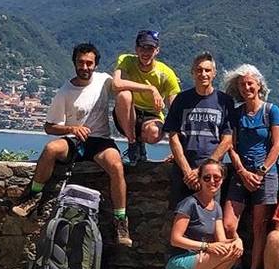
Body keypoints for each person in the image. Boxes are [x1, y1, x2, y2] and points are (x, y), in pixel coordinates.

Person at [12, 43, 131, 247]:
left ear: (95, 65)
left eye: (89, 63)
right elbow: (49, 127)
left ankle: (120, 220)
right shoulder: (65, 91)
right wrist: (72, 129)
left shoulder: (104, 80)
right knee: (51, 149)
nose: (84, 67)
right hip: (74, 140)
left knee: (117, 166)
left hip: (100, 140)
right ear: (74, 63)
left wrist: (151, 90)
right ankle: (34, 195)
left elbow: (123, 89)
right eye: (80, 62)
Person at [221, 64, 279, 269]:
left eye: (250, 83)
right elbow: (231, 145)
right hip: (240, 173)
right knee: (228, 224)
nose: (246, 88)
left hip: (265, 175)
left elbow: (277, 144)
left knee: (259, 227)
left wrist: (261, 171)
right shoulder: (236, 114)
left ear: (259, 85)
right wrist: (241, 170)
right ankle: (236, 266)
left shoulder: (271, 110)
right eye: (242, 84)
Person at [166, 159, 243, 269]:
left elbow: (222, 241)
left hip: (201, 263)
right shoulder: (189, 204)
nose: (212, 181)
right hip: (179, 262)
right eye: (207, 178)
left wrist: (237, 240)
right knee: (229, 250)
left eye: (216, 177)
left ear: (222, 180)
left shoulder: (216, 207)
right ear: (200, 180)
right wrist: (206, 246)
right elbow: (175, 239)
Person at [163, 52, 234, 209]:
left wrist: (203, 170)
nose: (203, 74)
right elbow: (173, 136)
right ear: (193, 72)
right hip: (184, 171)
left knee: (210, 216)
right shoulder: (181, 100)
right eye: (199, 70)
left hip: (212, 173)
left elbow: (227, 140)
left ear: (214, 73)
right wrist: (187, 171)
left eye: (207, 70)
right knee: (181, 216)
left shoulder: (224, 101)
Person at [112, 30, 181, 165]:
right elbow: (116, 84)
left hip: (151, 116)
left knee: (154, 132)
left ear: (157, 50)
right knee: (124, 95)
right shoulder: (126, 60)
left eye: (150, 48)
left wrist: (178, 148)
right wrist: (150, 88)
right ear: (136, 49)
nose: (145, 52)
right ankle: (132, 144)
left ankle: (140, 145)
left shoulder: (166, 74)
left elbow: (175, 111)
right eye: (142, 47)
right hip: (127, 114)